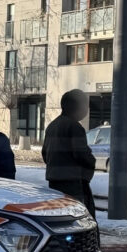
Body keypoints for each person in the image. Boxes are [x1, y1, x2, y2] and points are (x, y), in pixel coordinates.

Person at [42, 89, 97, 217]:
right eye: (85, 106)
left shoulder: (52, 126)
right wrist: (91, 162)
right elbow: (81, 154)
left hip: (54, 180)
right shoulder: (75, 127)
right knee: (79, 217)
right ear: (77, 107)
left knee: (59, 215)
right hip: (73, 181)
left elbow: (45, 154)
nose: (86, 110)